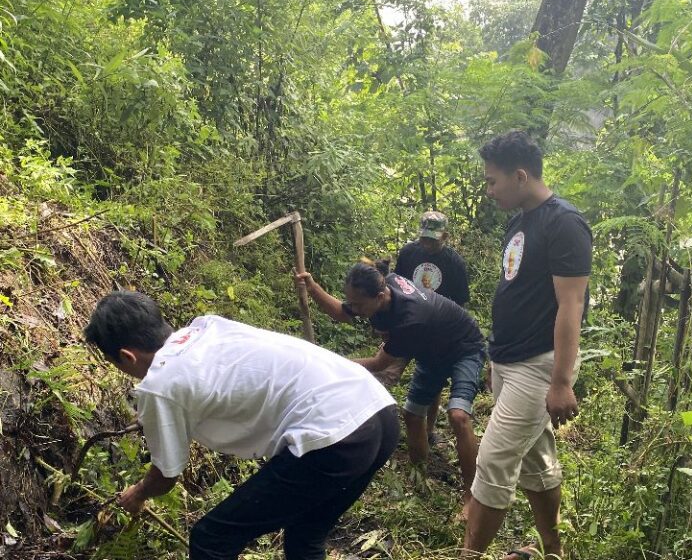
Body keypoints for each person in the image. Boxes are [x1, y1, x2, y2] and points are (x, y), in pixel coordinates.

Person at [84, 291, 399, 560]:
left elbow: (166, 474)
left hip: (336, 434)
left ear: (127, 356)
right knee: (306, 536)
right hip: (377, 408)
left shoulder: (160, 383)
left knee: (211, 540)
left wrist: (138, 492)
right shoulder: (208, 327)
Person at [462, 131, 592, 560]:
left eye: (492, 181)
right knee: (537, 463)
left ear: (520, 176)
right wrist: (494, 356)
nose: (489, 190)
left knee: (494, 460)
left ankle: (469, 555)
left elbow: (570, 306)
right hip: (509, 360)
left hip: (539, 365)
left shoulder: (564, 223)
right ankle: (552, 549)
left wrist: (560, 382)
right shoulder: (519, 221)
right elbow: (517, 290)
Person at [295, 262, 484, 509]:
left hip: (464, 347)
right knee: (413, 415)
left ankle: (473, 495)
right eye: (352, 302)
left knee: (458, 416)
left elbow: (378, 363)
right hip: (430, 351)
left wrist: (329, 363)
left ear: (380, 297)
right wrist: (312, 286)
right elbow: (343, 312)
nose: (354, 308)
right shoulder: (383, 287)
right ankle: (419, 480)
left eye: (359, 305)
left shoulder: (410, 320)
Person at [390, 210, 471, 442]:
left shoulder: (453, 263)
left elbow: (460, 302)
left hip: (437, 330)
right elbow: (397, 285)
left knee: (432, 379)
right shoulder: (409, 253)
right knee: (390, 369)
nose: (427, 244)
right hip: (407, 324)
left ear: (444, 236)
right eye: (424, 238)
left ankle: (429, 429)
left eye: (432, 239)